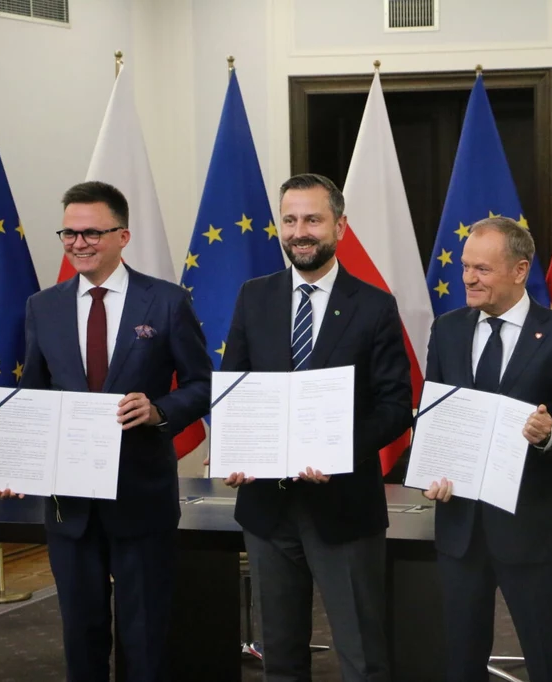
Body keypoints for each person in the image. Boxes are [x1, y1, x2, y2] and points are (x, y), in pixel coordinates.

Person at [0, 181, 213, 681]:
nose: (78, 243)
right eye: (69, 233)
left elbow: (203, 384)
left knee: (143, 634)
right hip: (68, 504)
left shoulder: (166, 302)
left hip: (140, 496)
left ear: (123, 236)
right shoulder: (42, 307)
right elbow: (33, 395)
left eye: (92, 232)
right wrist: (15, 462)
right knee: (81, 632)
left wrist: (159, 410)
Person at [220, 173, 413, 682]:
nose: (300, 231)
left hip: (344, 507)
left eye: (312, 219)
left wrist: (337, 452)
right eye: (289, 219)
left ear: (340, 226)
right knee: (279, 657)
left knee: (361, 655)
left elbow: (396, 407)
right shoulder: (253, 297)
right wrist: (234, 449)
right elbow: (235, 390)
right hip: (267, 508)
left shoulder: (374, 305)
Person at [422, 216, 552, 682]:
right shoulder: (447, 331)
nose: (467, 278)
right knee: (460, 661)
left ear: (520, 270)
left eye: (481, 269)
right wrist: (433, 468)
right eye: (465, 266)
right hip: (460, 527)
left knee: (551, 660)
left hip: (531, 530)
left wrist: (549, 433)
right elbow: (437, 416)